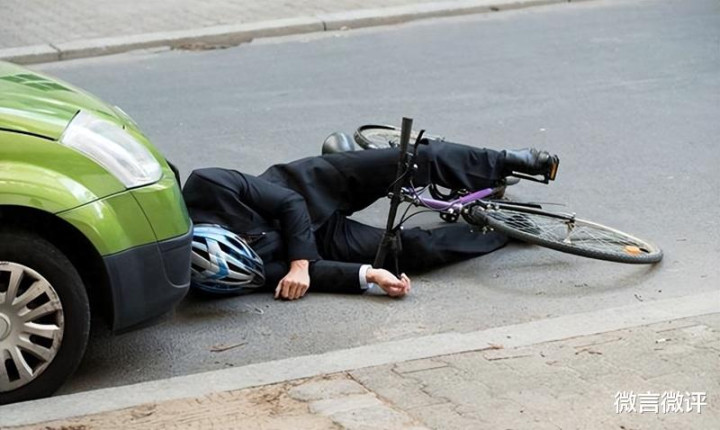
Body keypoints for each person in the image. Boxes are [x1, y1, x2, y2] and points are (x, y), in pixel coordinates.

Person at [182, 135, 558, 300]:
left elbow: (289, 203)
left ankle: (506, 161)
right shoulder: (224, 277)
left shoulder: (208, 185)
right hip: (320, 241)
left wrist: (297, 263)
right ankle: (505, 226)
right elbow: (311, 277)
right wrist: (372, 276)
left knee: (412, 162)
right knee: (410, 252)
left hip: (311, 189)